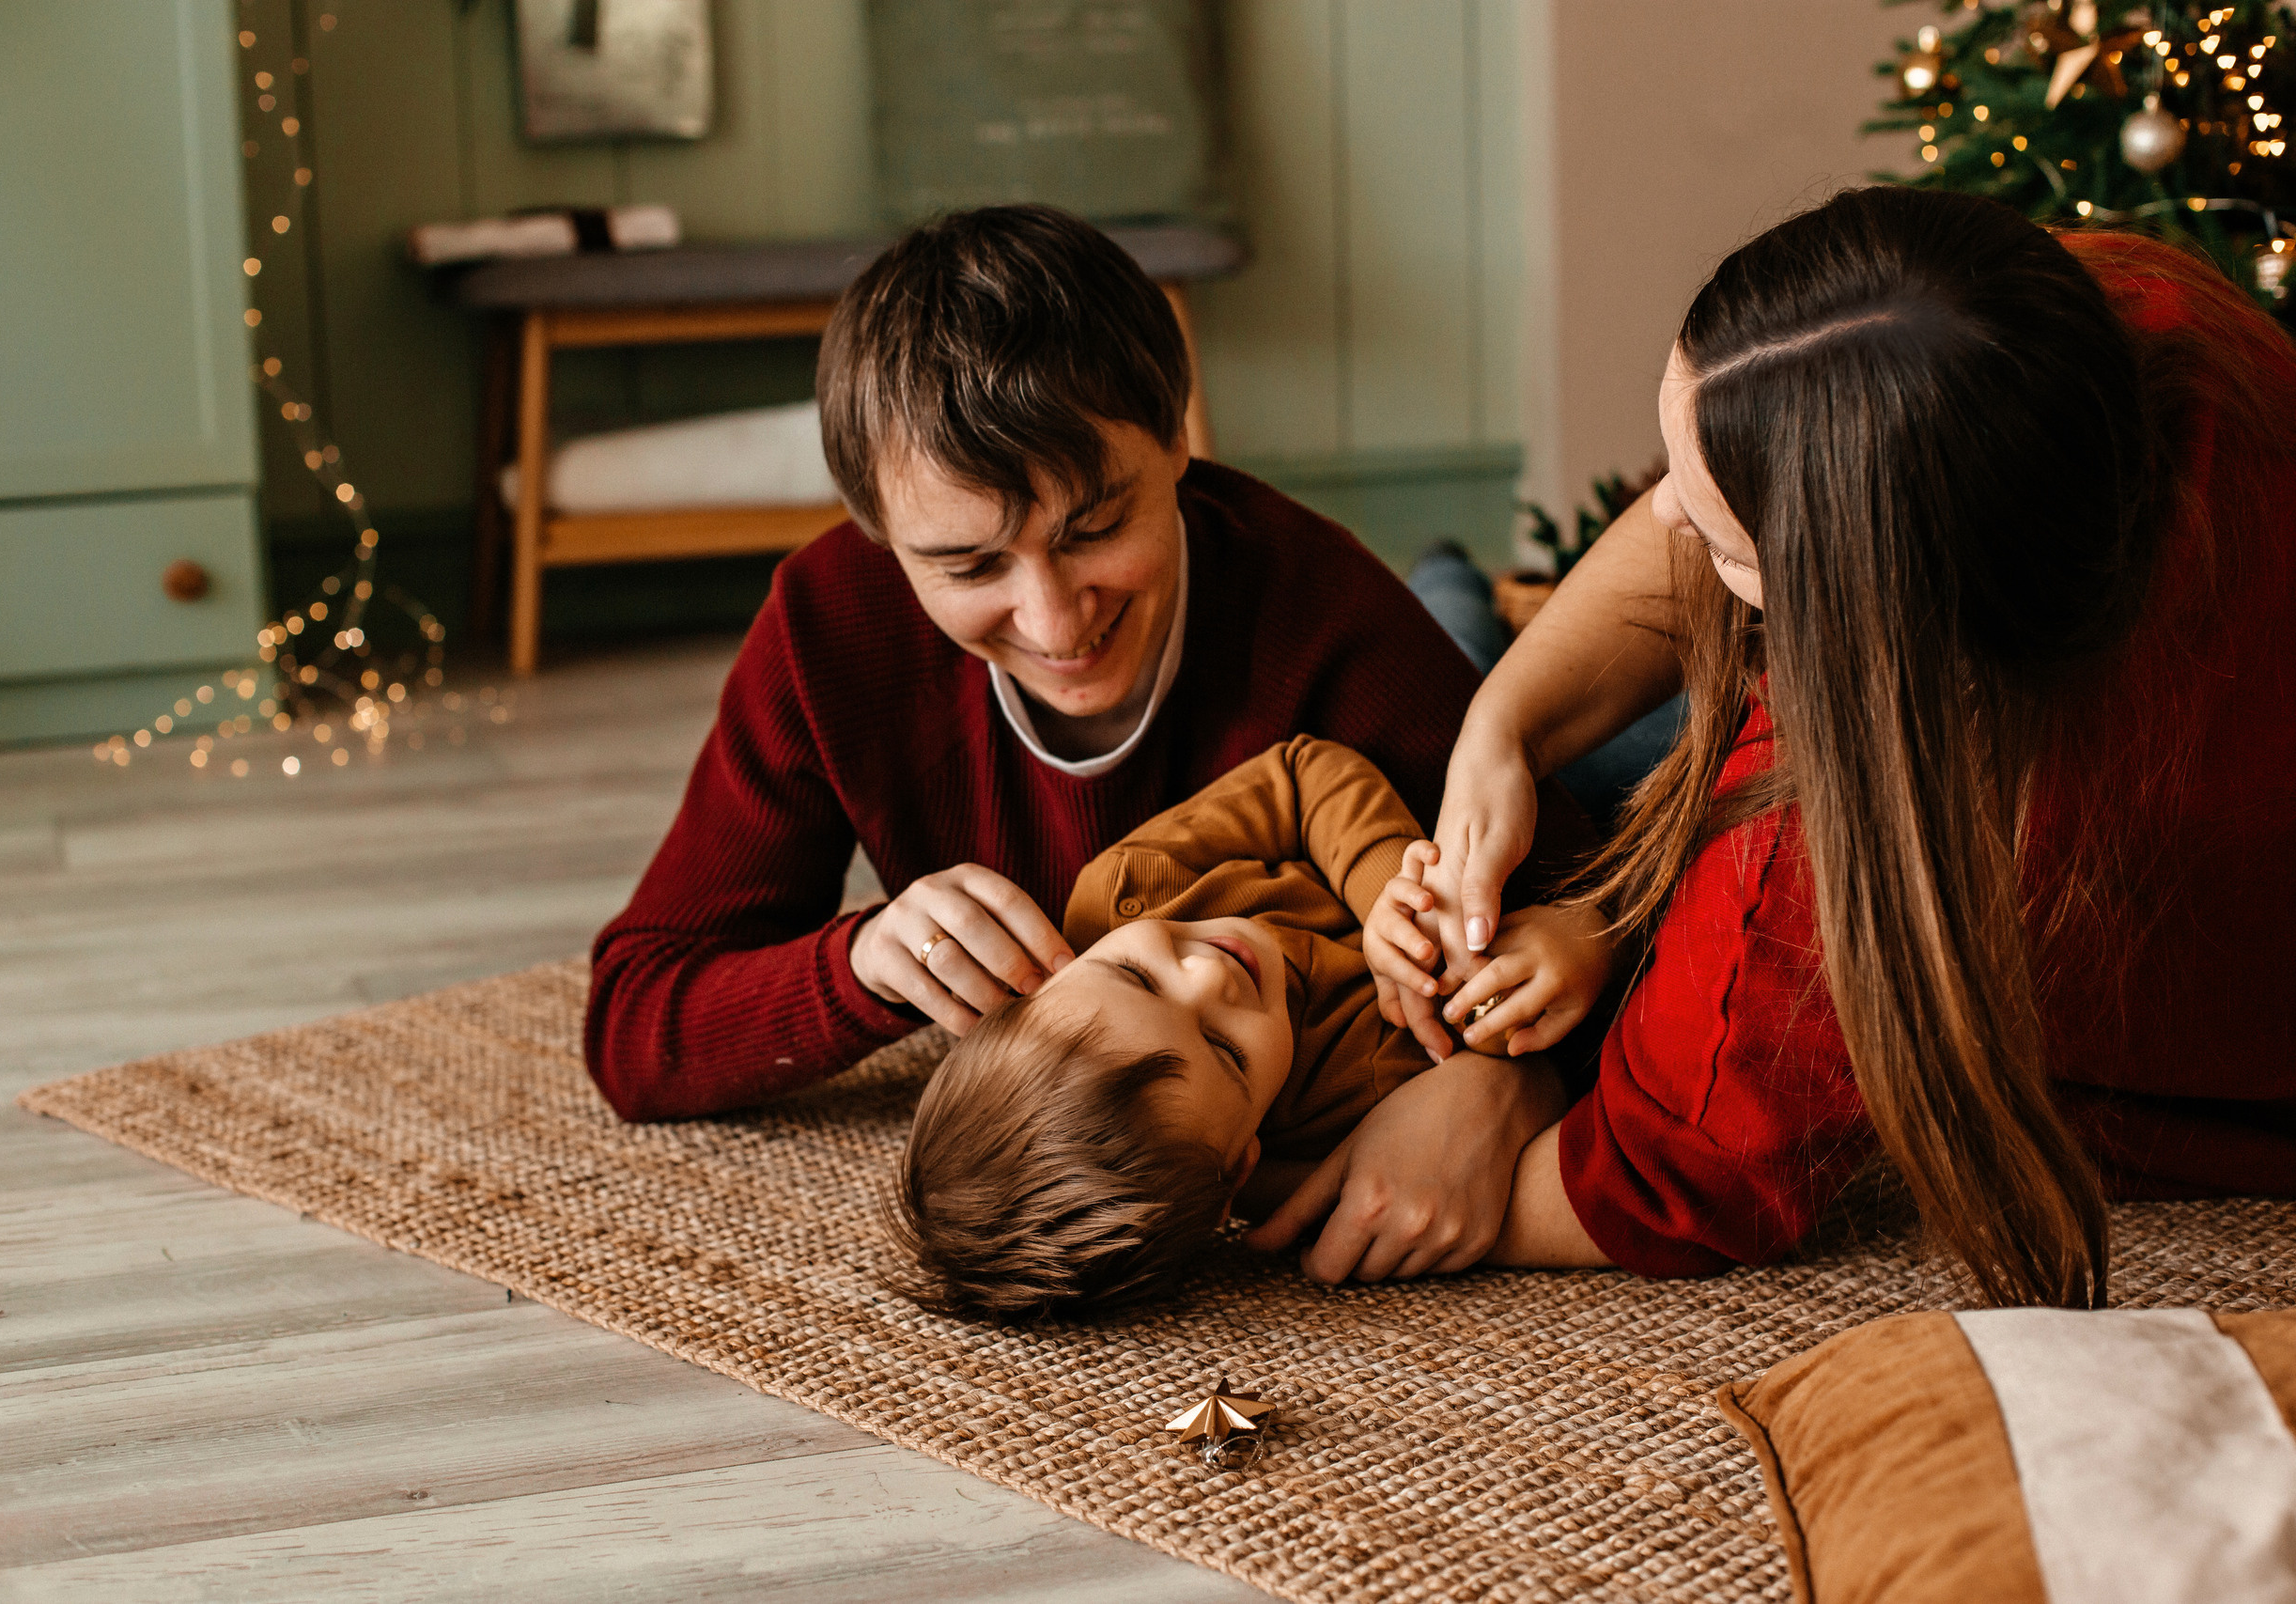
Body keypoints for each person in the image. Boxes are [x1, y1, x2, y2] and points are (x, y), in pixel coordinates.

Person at [1343, 186, 2296, 1308]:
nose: (1662, 517)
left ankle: (1448, 587)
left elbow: (1656, 1180)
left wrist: (1481, 1103)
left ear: (1868, 623)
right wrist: (1498, 728)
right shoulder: (2120, 315)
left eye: (1726, 541)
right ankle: (1460, 600)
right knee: (1547, 732)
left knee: (1535, 728)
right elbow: (1730, 476)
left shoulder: (1832, 867)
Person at [586, 206, 1585, 1276]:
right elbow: (636, 1028)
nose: (1056, 624)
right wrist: (863, 962)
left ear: (1176, 440)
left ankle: (1451, 587)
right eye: (970, 569)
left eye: (1095, 529)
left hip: (1406, 660)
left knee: (1483, 668)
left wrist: (1505, 1084)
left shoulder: (1322, 610)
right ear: (876, 526)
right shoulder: (827, 626)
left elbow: (1610, 899)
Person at [891, 736, 1581, 1318]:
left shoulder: (1125, 889)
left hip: (1448, 766)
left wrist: (1390, 901)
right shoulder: (1365, 1094)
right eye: (1225, 1051)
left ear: (1039, 983)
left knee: (1455, 609)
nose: (1209, 977)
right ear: (1241, 1159)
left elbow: (1299, 771)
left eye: (1137, 975)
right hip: (1552, 853)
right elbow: (1528, 1065)